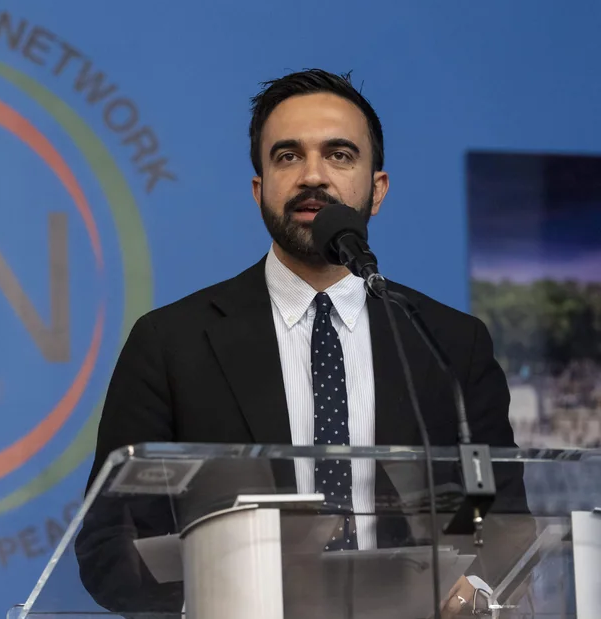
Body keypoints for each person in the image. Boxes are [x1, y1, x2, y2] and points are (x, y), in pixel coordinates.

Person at [74, 69, 529, 618]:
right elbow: (110, 544)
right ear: (259, 189)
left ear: (378, 190)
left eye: (339, 155)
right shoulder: (170, 343)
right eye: (288, 156)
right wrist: (215, 602)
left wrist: (474, 589)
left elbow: (500, 513)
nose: (313, 176)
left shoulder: (450, 343)